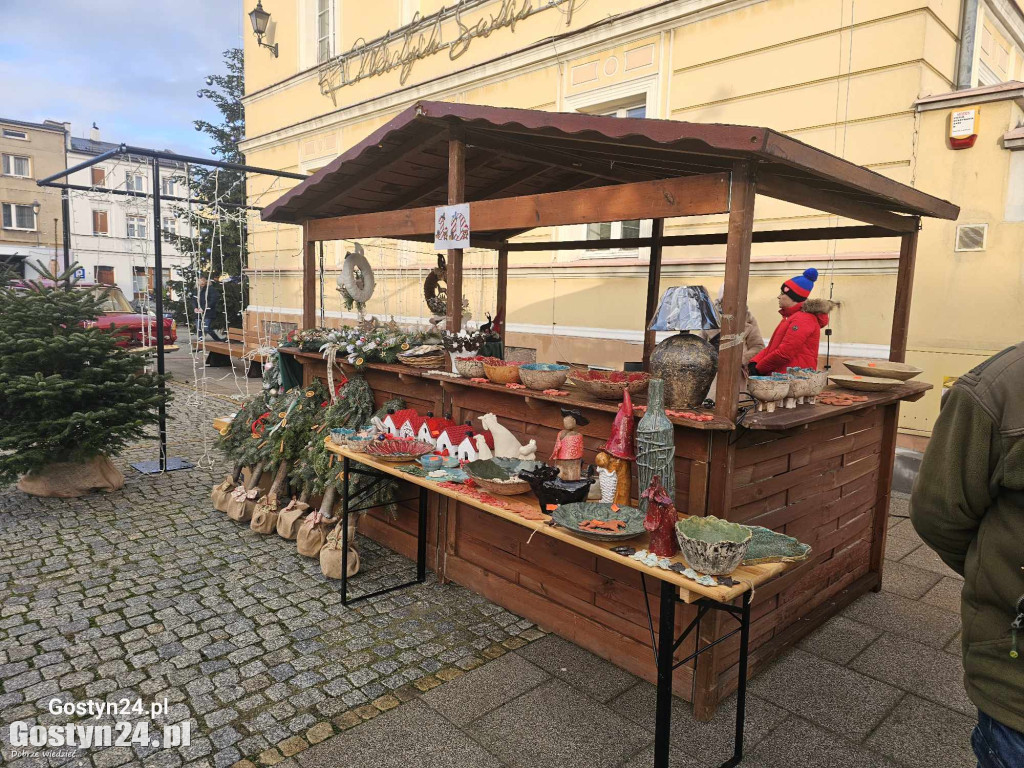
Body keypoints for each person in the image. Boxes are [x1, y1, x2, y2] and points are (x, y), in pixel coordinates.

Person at [910, 345, 1024, 768]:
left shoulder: (1001, 384)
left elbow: (940, 513)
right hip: (1015, 685)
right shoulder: (1004, 385)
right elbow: (941, 515)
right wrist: (989, 570)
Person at [748, 268, 834, 375]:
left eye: (782, 293)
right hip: (784, 377)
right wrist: (754, 362)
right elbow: (772, 348)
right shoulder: (790, 317)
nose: (779, 297)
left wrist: (759, 368)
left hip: (792, 380)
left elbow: (784, 353)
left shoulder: (803, 319)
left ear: (793, 297)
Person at [191, 275, 222, 341]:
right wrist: (195, 308)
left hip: (208, 312)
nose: (201, 282)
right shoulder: (196, 290)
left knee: (206, 328)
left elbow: (213, 300)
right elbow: (193, 300)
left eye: (203, 280)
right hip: (198, 312)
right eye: (200, 281)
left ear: (206, 281)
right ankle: (200, 343)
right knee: (199, 328)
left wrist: (204, 308)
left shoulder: (210, 289)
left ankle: (218, 339)